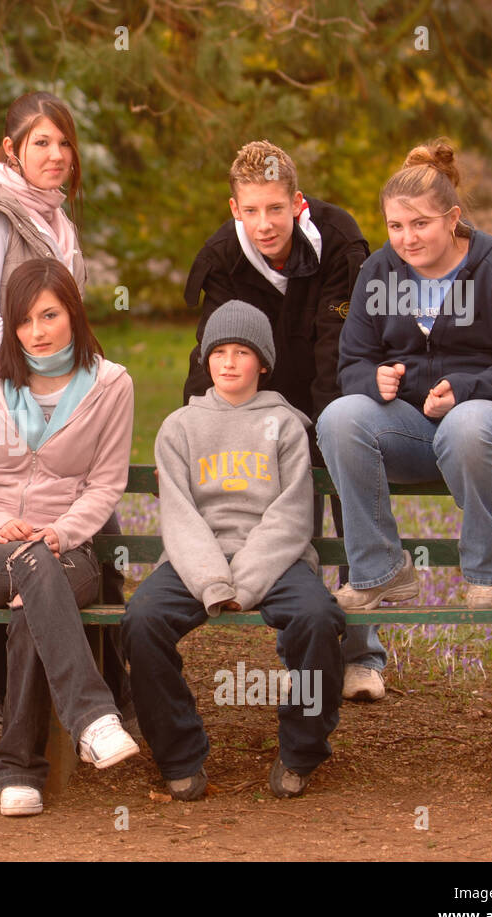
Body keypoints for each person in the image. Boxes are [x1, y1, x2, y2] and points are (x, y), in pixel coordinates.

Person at [0, 90, 129, 734]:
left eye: (64, 143)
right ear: (11, 149)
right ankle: (8, 701)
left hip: (55, 388)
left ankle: (104, 695)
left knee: (88, 538)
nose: (57, 155)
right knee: (8, 528)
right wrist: (24, 376)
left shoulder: (56, 218)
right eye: (41, 142)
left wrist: (69, 380)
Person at [180, 140, 386, 703]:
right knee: (289, 526)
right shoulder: (222, 257)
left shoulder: (340, 241)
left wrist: (323, 433)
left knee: (349, 503)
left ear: (297, 202)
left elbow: (338, 349)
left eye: (276, 208)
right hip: (262, 397)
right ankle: (306, 653)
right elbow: (213, 351)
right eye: (252, 210)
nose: (265, 223)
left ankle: (362, 655)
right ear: (234, 209)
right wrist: (202, 424)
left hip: (336, 390)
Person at [122, 301, 345, 801]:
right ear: (205, 359)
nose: (227, 362)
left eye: (241, 351)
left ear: (262, 362)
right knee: (142, 619)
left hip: (275, 559)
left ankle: (301, 751)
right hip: (196, 558)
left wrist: (242, 583)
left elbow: (291, 517)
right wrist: (211, 579)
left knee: (317, 617)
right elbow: (180, 517)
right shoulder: (180, 426)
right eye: (218, 351)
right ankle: (178, 753)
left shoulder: (287, 425)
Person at [0, 257, 139, 817]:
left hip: (70, 550)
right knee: (32, 571)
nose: (37, 330)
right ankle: (93, 718)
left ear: (73, 312)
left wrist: (60, 532)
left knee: (37, 588)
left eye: (49, 314)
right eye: (25, 320)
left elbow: (105, 486)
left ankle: (17, 771)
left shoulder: (111, 384)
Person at [316, 139, 492, 613]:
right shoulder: (379, 271)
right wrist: (370, 380)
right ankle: (381, 571)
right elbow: (352, 361)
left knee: (468, 424)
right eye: (396, 226)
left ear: (453, 216)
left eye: (421, 223)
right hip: (414, 431)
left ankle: (487, 572)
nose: (407, 238)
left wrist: (465, 390)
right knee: (339, 417)